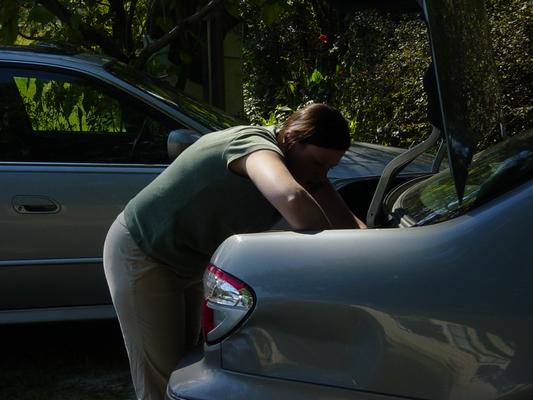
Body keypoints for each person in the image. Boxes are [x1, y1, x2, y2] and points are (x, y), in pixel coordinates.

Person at [103, 102, 366, 400]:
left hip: (188, 263)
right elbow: (293, 199)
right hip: (143, 251)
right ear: (292, 139)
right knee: (161, 380)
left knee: (183, 368)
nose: (321, 176)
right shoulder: (253, 146)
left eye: (330, 168)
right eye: (318, 163)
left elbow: (351, 227)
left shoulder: (306, 171)